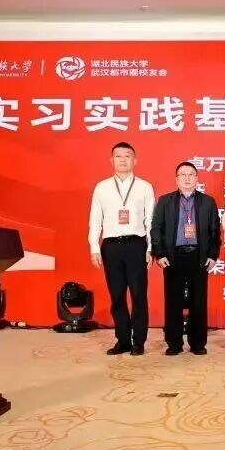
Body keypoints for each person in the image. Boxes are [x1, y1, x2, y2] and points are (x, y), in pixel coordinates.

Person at [88, 142, 155, 356]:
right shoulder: (102, 187)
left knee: (138, 295)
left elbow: (150, 220)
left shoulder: (145, 187)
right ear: (112, 160)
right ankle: (123, 340)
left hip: (136, 245)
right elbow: (95, 218)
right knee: (117, 295)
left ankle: (139, 341)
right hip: (111, 246)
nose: (123, 160)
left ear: (135, 160)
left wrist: (151, 247)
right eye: (118, 156)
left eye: (127, 156)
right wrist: (94, 246)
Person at [151, 162, 221, 356]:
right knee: (172, 301)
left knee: (199, 301)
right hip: (173, 256)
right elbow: (156, 228)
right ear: (176, 179)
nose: (187, 178)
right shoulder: (165, 201)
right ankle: (174, 343)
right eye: (183, 174)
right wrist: (160, 253)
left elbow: (215, 231)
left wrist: (213, 255)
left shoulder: (208, 202)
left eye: (191, 174)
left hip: (199, 256)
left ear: (197, 179)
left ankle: (198, 343)